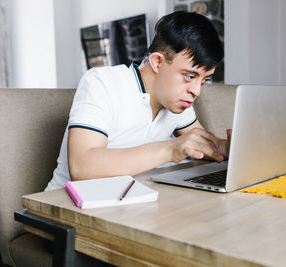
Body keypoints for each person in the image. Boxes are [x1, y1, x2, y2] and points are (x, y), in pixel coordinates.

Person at [45, 11, 230, 191]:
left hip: (129, 205)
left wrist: (231, 147)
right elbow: (82, 168)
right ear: (158, 62)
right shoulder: (102, 82)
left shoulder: (177, 101)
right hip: (62, 210)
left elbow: (203, 144)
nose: (196, 91)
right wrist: (170, 150)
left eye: (204, 80)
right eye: (190, 76)